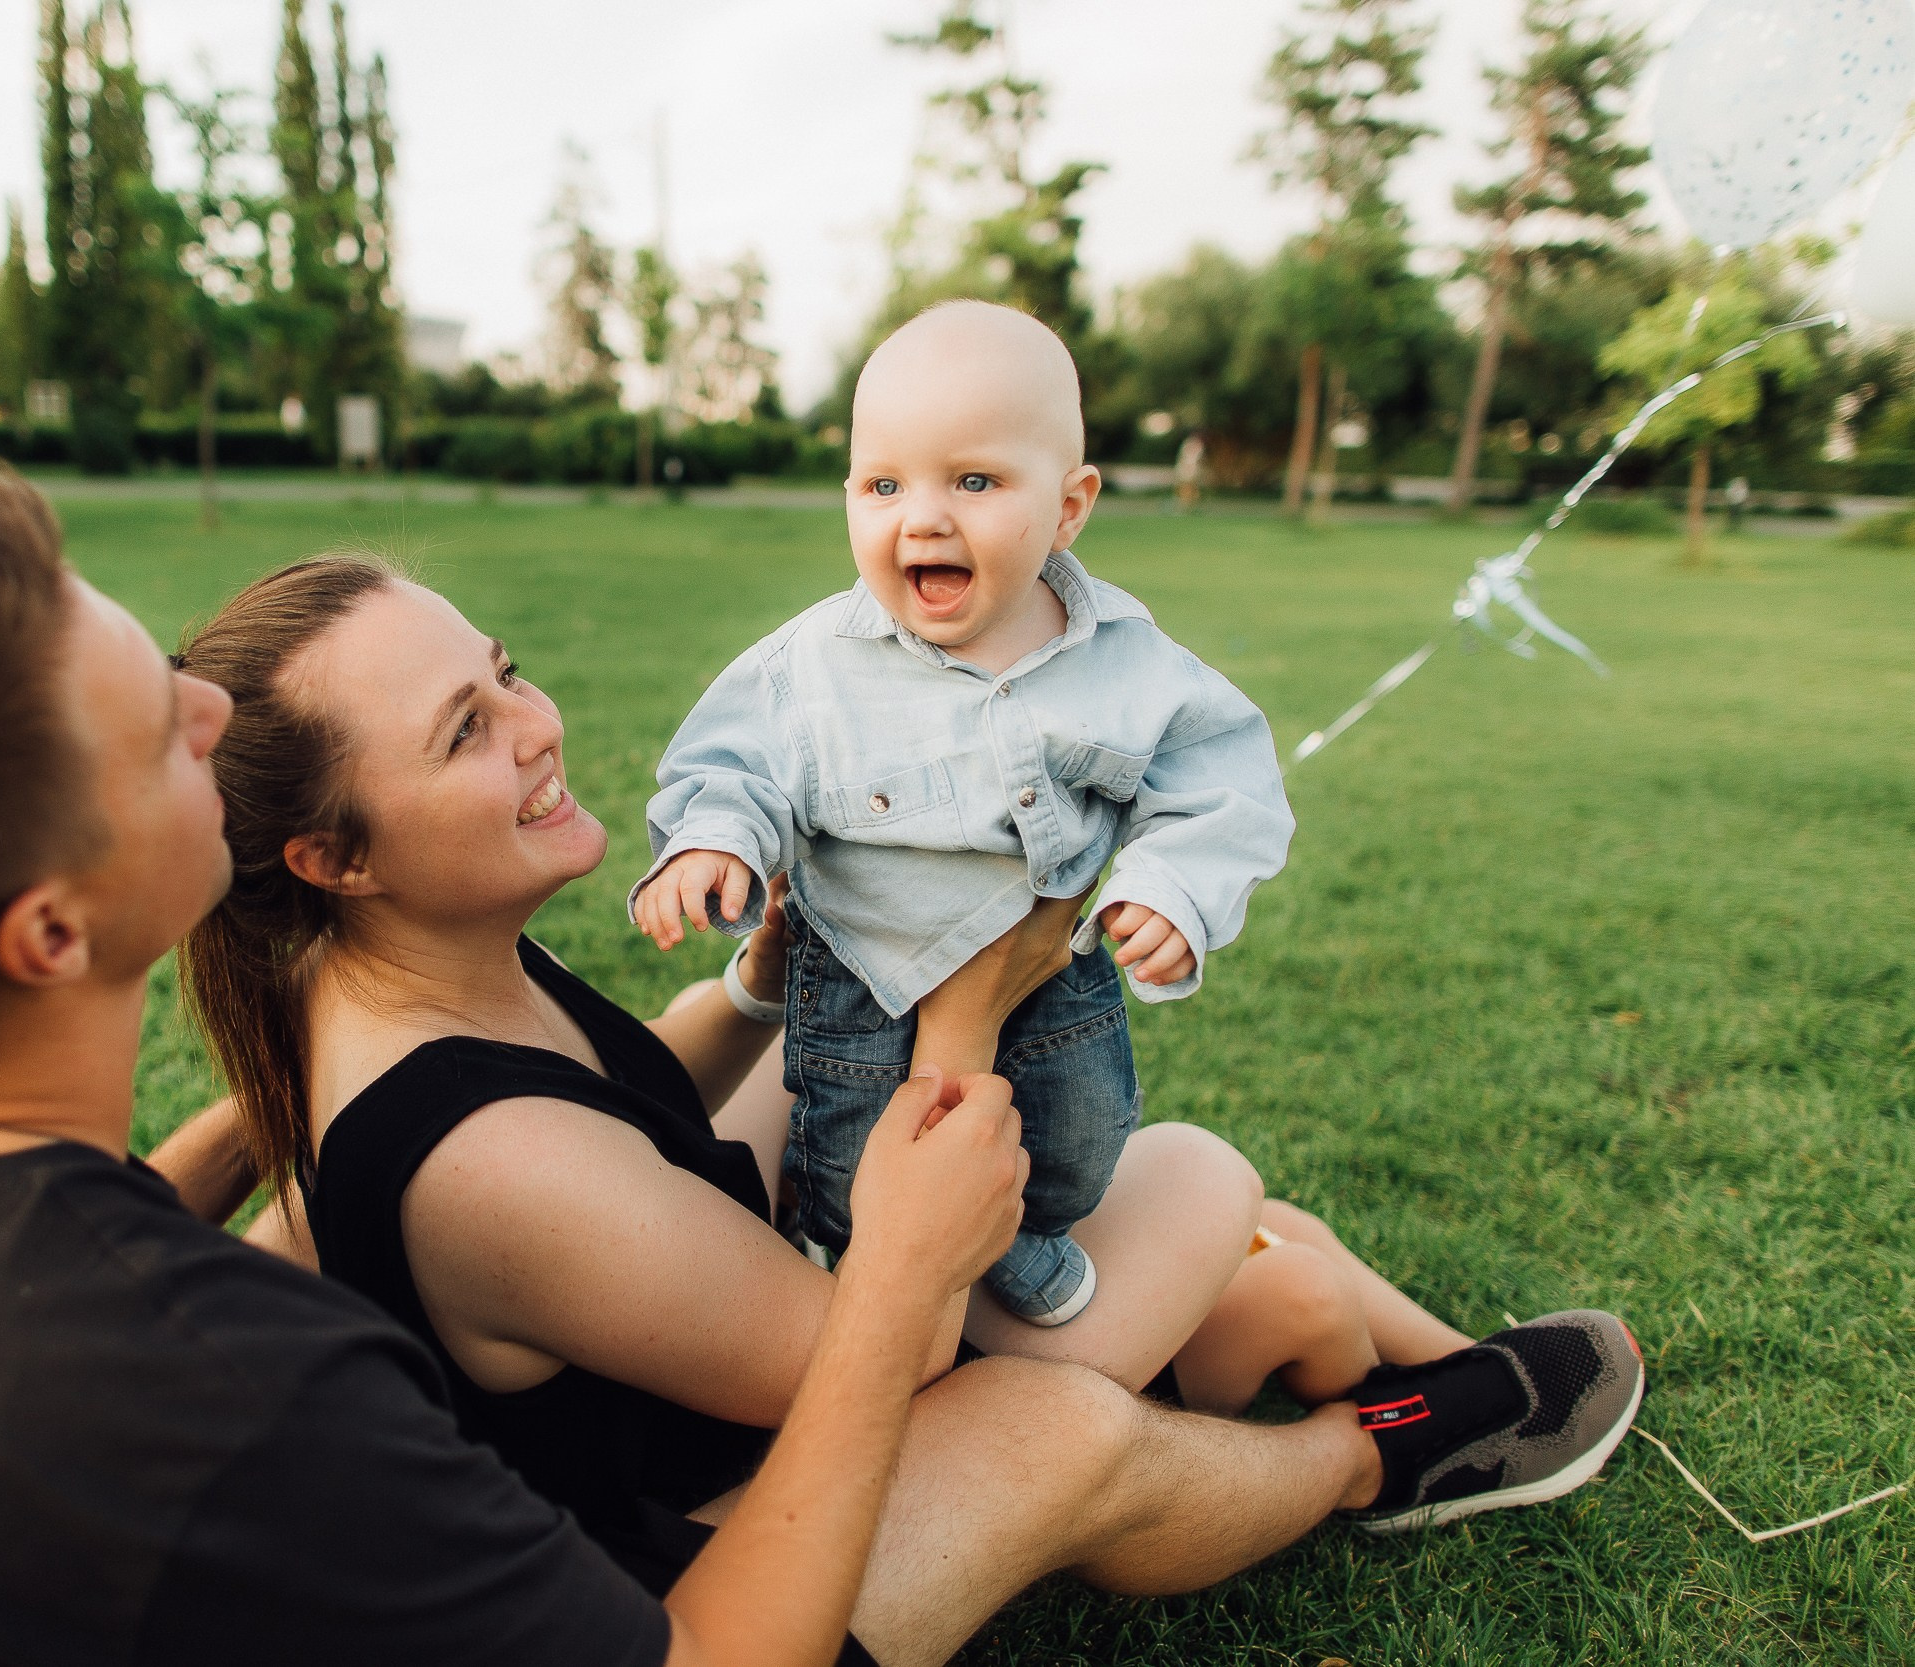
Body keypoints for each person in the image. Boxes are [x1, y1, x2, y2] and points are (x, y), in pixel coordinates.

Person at [0, 467, 1035, 1667]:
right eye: (159, 729)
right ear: (49, 926)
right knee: (1066, 1423)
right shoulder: (235, 1396)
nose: (214, 718)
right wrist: (901, 1273)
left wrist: (321, 1107)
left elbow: (88, 1230)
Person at [167, 549, 1648, 1657]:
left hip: (671, 1385)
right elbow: (897, 1342)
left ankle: (1319, 1313)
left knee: (1184, 1207)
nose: (534, 725)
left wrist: (765, 978)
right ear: (332, 858)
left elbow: (627, 1111)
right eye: (461, 732)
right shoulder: (487, 1159)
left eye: (503, 670)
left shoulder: (399, 959)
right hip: (691, 1560)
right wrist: (970, 999)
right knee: (1106, 1331)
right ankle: (1381, 1445)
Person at [632, 301, 1293, 1325]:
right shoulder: (813, 664)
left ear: (1069, 506)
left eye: (974, 481)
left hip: (1051, 972)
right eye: (884, 483)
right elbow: (731, 759)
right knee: (859, 1168)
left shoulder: (1123, 660)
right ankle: (844, 1237)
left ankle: (1022, 1234)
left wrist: (1174, 887)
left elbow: (1221, 776)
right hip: (864, 972)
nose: (923, 517)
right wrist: (715, 835)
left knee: (1077, 1142)